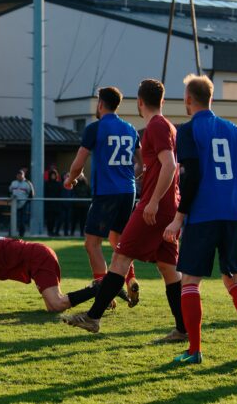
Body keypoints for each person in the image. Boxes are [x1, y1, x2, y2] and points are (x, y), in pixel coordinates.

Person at [61, 79, 184, 341]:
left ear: (140, 102)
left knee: (118, 256)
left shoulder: (156, 126)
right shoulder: (144, 129)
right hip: (151, 200)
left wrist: (151, 201)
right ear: (161, 100)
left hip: (151, 205)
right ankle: (183, 328)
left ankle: (93, 317)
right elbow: (150, 164)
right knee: (168, 267)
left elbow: (170, 165)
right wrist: (142, 175)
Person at [164, 73, 237, 364]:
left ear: (188, 99)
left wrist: (178, 218)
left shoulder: (186, 130)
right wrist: (235, 194)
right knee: (233, 277)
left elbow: (192, 176)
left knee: (190, 281)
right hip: (234, 214)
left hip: (204, 214)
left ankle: (194, 350)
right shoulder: (234, 129)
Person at [63, 86, 140, 298]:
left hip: (107, 193)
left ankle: (102, 292)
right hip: (128, 191)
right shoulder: (131, 129)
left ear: (100, 104)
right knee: (118, 240)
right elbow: (141, 165)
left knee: (92, 243)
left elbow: (78, 163)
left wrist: (71, 179)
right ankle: (130, 277)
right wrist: (128, 179)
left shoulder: (94, 129)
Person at [0, 237, 100, 313]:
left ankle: (97, 288)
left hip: (38, 257)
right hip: (36, 257)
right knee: (53, 308)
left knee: (57, 304)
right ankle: (96, 289)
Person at [9, 170, 34, 237]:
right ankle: (11, 233)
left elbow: (31, 194)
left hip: (24, 204)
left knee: (22, 220)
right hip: (14, 205)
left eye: (21, 175)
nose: (19, 176)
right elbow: (10, 192)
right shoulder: (13, 183)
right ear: (16, 176)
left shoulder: (27, 183)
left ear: (24, 175)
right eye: (18, 175)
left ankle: (21, 235)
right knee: (13, 219)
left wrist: (26, 202)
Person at [44, 169, 63, 236]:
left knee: (58, 220)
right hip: (49, 205)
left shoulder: (59, 184)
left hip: (57, 205)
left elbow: (61, 193)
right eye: (52, 175)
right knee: (50, 220)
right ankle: (50, 232)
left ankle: (56, 232)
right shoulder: (46, 184)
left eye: (54, 175)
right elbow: (45, 193)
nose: (53, 176)